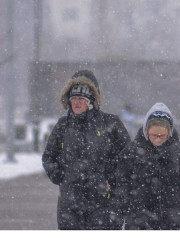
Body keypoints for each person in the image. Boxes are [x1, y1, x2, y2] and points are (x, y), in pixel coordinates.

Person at [42, 70, 131, 230]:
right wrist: (60, 176)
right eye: (73, 98)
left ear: (91, 100)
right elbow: (48, 157)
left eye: (81, 98)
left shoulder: (111, 124)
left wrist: (112, 179)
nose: (76, 102)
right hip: (70, 206)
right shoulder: (63, 126)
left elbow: (128, 158)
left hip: (105, 205)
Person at [115, 102, 180, 230]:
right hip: (138, 220)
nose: (158, 139)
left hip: (172, 220)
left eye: (162, 135)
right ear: (146, 131)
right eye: (154, 134)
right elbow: (121, 181)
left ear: (170, 132)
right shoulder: (131, 151)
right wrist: (128, 208)